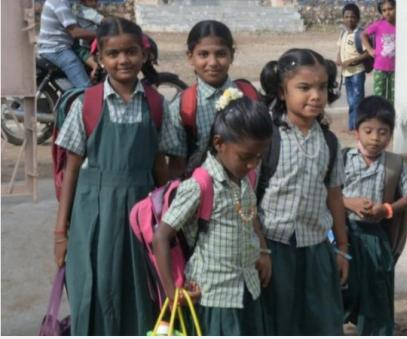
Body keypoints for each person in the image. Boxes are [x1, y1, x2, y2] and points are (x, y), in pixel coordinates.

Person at [52, 17, 171, 335]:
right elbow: (73, 169)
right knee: (97, 286)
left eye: (131, 52)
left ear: (143, 55)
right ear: (100, 58)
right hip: (94, 214)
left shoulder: (157, 104)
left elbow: (162, 168)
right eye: (114, 53)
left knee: (141, 288)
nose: (123, 60)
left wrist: (170, 222)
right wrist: (60, 232)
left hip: (141, 214)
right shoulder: (85, 104)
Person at [153, 89, 273, 335]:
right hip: (213, 297)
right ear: (219, 143)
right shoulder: (200, 185)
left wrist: (262, 250)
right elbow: (161, 237)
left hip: (248, 290)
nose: (253, 164)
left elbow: (251, 218)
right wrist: (172, 291)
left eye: (259, 157)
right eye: (246, 157)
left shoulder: (245, 177)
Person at [257, 48, 349, 335]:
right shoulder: (266, 137)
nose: (316, 96)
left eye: (322, 87)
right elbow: (246, 196)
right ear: (282, 92)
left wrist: (343, 249)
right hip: (273, 246)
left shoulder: (330, 143)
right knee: (278, 320)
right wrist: (260, 248)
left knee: (320, 320)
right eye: (304, 88)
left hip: (315, 247)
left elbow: (334, 196)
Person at [342, 95, 407, 335]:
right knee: (344, 289)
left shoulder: (396, 163)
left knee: (377, 291)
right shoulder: (343, 159)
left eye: (383, 132)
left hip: (376, 238)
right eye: (369, 130)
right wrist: (348, 202)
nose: (375, 138)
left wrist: (386, 209)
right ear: (357, 131)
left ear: (391, 134)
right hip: (346, 237)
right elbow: (329, 193)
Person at [160, 20, 238, 178]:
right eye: (203, 54)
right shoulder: (181, 108)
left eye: (221, 54)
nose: (213, 62)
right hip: (201, 196)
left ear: (232, 56)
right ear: (190, 57)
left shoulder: (247, 97)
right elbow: (177, 166)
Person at [38, 0, 96, 88]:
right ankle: (87, 96)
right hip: (56, 49)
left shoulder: (69, 3)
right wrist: (101, 35)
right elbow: (75, 32)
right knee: (85, 87)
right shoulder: (59, 3)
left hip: (65, 44)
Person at [336, 3, 369, 132]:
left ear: (358, 18)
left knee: (357, 102)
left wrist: (352, 61)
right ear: (343, 18)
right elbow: (339, 47)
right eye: (347, 17)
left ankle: (356, 127)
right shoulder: (343, 33)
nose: (349, 19)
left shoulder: (360, 34)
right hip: (346, 73)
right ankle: (352, 126)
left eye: (353, 17)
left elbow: (367, 53)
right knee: (351, 102)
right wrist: (339, 58)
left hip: (357, 73)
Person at [361, 0, 396, 104]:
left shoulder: (401, 25)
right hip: (380, 68)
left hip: (396, 69)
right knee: (378, 98)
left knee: (392, 99)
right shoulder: (379, 25)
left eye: (390, 9)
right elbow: (363, 35)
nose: (387, 12)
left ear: (396, 8)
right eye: (384, 10)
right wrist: (370, 50)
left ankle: (389, 119)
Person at [71, 0, 104, 76]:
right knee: (83, 52)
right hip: (85, 41)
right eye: (93, 1)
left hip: (87, 39)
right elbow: (102, 20)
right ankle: (95, 66)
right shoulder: (85, 10)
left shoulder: (75, 7)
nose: (96, 3)